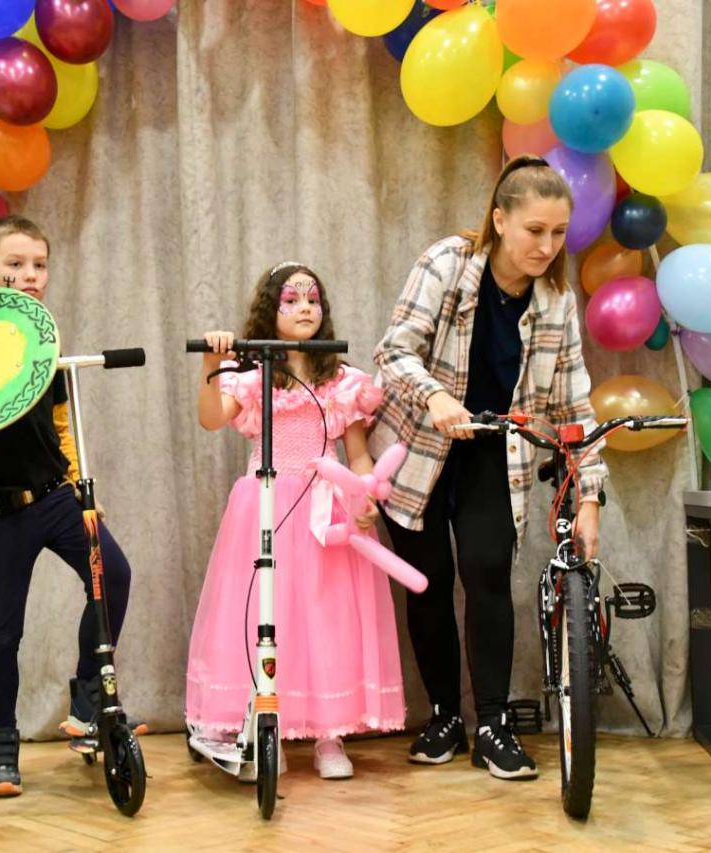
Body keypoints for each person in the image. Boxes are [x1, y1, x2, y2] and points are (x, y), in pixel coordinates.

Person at [370, 155, 608, 781]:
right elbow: (393, 352)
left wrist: (589, 497)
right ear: (499, 220)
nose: (547, 247)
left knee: (487, 577)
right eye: (535, 230)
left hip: (495, 457)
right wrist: (435, 396)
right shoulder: (446, 263)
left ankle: (493, 725)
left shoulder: (557, 301)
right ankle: (444, 715)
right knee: (427, 585)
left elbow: (574, 407)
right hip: (416, 450)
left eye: (558, 233)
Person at [186, 263, 405, 780]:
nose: (305, 307)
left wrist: (366, 494)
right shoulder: (253, 378)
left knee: (327, 618)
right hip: (265, 505)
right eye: (291, 299)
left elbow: (358, 454)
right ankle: (270, 727)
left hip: (326, 511)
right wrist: (213, 364)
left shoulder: (342, 381)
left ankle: (330, 735)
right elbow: (211, 418)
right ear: (271, 310)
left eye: (313, 299)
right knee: (270, 615)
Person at [0, 215, 136, 798]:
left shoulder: (44, 337)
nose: (30, 275)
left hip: (55, 496)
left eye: (39, 265)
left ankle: (88, 704)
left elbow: (60, 424)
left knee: (113, 575)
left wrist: (81, 489)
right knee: (1, 634)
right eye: (16, 265)